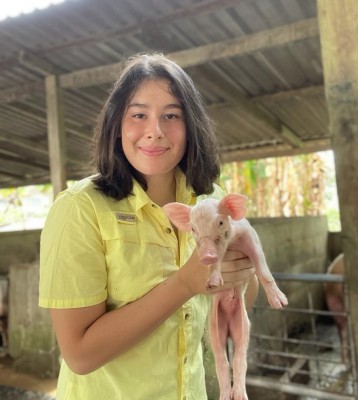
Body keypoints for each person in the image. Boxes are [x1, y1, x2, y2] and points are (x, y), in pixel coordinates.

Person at [39, 53, 258, 400]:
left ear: (190, 127)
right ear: (117, 125)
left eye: (171, 115)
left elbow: (245, 293)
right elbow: (79, 354)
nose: (154, 131)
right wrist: (186, 283)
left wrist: (241, 270)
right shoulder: (80, 208)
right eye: (139, 114)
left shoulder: (211, 201)